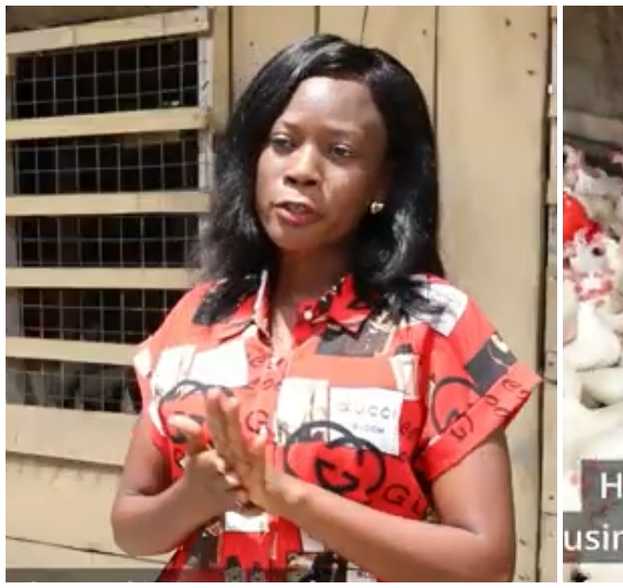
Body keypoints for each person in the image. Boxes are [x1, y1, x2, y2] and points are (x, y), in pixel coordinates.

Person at [110, 34, 540, 582]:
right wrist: (196, 495)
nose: (302, 170)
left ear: (383, 180)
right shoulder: (196, 318)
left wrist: (285, 495)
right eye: (283, 142)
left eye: (340, 152)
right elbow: (129, 527)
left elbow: (485, 563)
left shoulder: (437, 325)